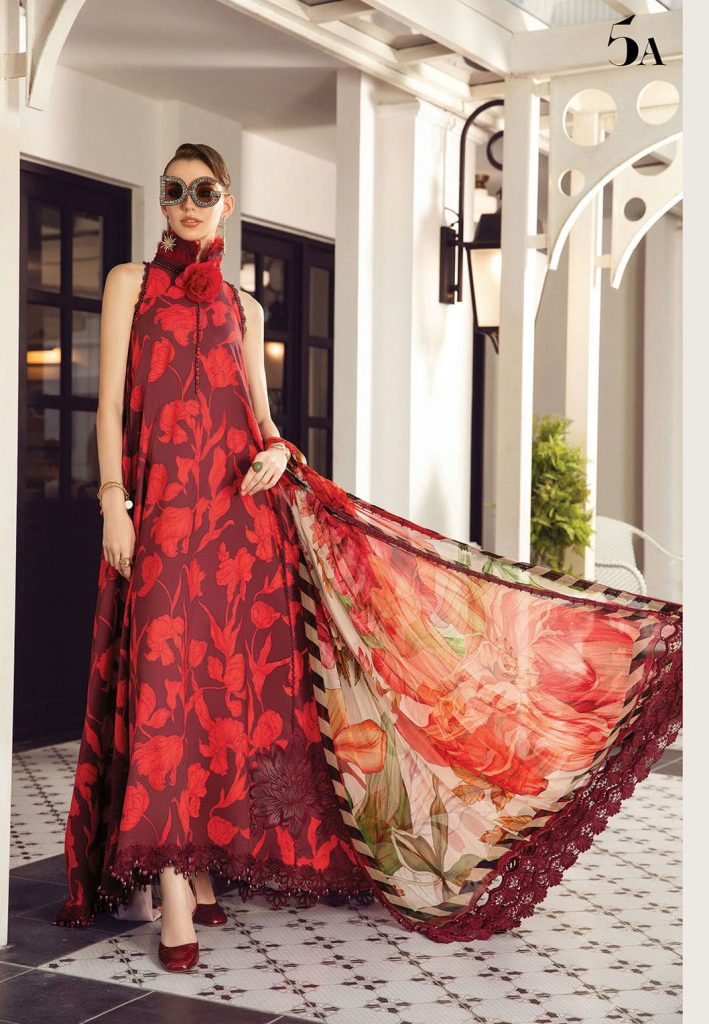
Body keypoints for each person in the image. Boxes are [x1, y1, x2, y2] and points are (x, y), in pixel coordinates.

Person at [53, 142, 683, 969]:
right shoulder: (129, 283)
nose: (187, 203)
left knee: (221, 700)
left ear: (227, 203)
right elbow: (107, 407)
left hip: (241, 526)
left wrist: (276, 450)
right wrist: (114, 501)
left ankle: (198, 862)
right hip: (166, 519)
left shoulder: (245, 308)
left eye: (203, 191)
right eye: (174, 190)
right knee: (165, 691)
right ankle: (172, 880)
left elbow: (263, 418)